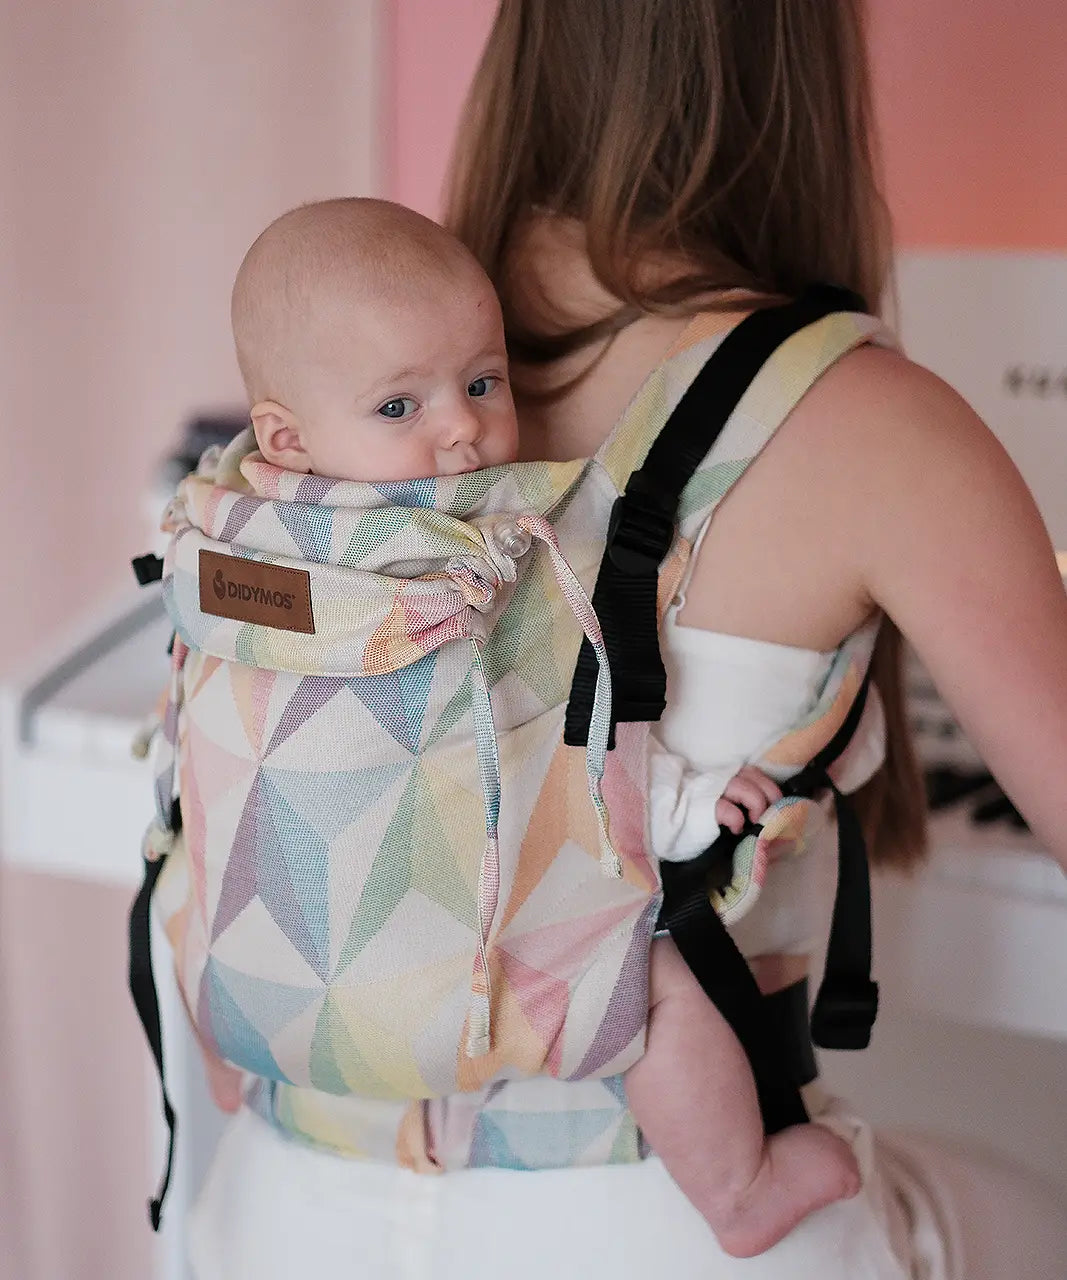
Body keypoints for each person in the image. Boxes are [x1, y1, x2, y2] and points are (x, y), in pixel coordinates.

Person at [186, 4, 1067, 1278]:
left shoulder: (362, 369)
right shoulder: (875, 423)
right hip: (660, 1218)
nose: (466, 421)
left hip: (274, 1209)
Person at [202, 194, 863, 1256]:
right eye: (398, 406)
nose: (459, 426)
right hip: (437, 938)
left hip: (265, 950)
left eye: (479, 381)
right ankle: (736, 1188)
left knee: (198, 890)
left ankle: (233, 1048)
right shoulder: (469, 553)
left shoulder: (228, 535)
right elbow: (561, 731)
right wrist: (694, 803)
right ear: (287, 431)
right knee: (651, 979)